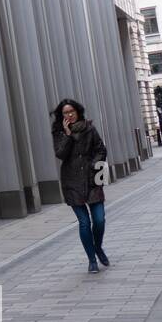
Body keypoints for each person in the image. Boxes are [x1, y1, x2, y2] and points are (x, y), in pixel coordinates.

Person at [51, 98, 109, 274]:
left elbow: (101, 149)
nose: (69, 115)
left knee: (99, 220)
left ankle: (97, 247)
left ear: (78, 111)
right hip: (72, 182)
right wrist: (68, 135)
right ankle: (92, 260)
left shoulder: (89, 128)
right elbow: (60, 154)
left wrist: (93, 165)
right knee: (84, 223)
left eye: (71, 111)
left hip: (92, 179)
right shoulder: (59, 132)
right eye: (65, 113)